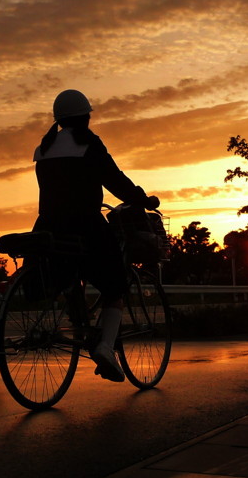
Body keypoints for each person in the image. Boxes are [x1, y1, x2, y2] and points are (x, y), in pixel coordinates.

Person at [33, 89, 160, 382]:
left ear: (59, 120)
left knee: (67, 270)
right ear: (86, 117)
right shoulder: (89, 144)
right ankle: (104, 347)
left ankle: (79, 322)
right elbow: (115, 180)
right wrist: (144, 200)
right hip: (85, 225)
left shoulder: (45, 147)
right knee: (115, 285)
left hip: (48, 226)